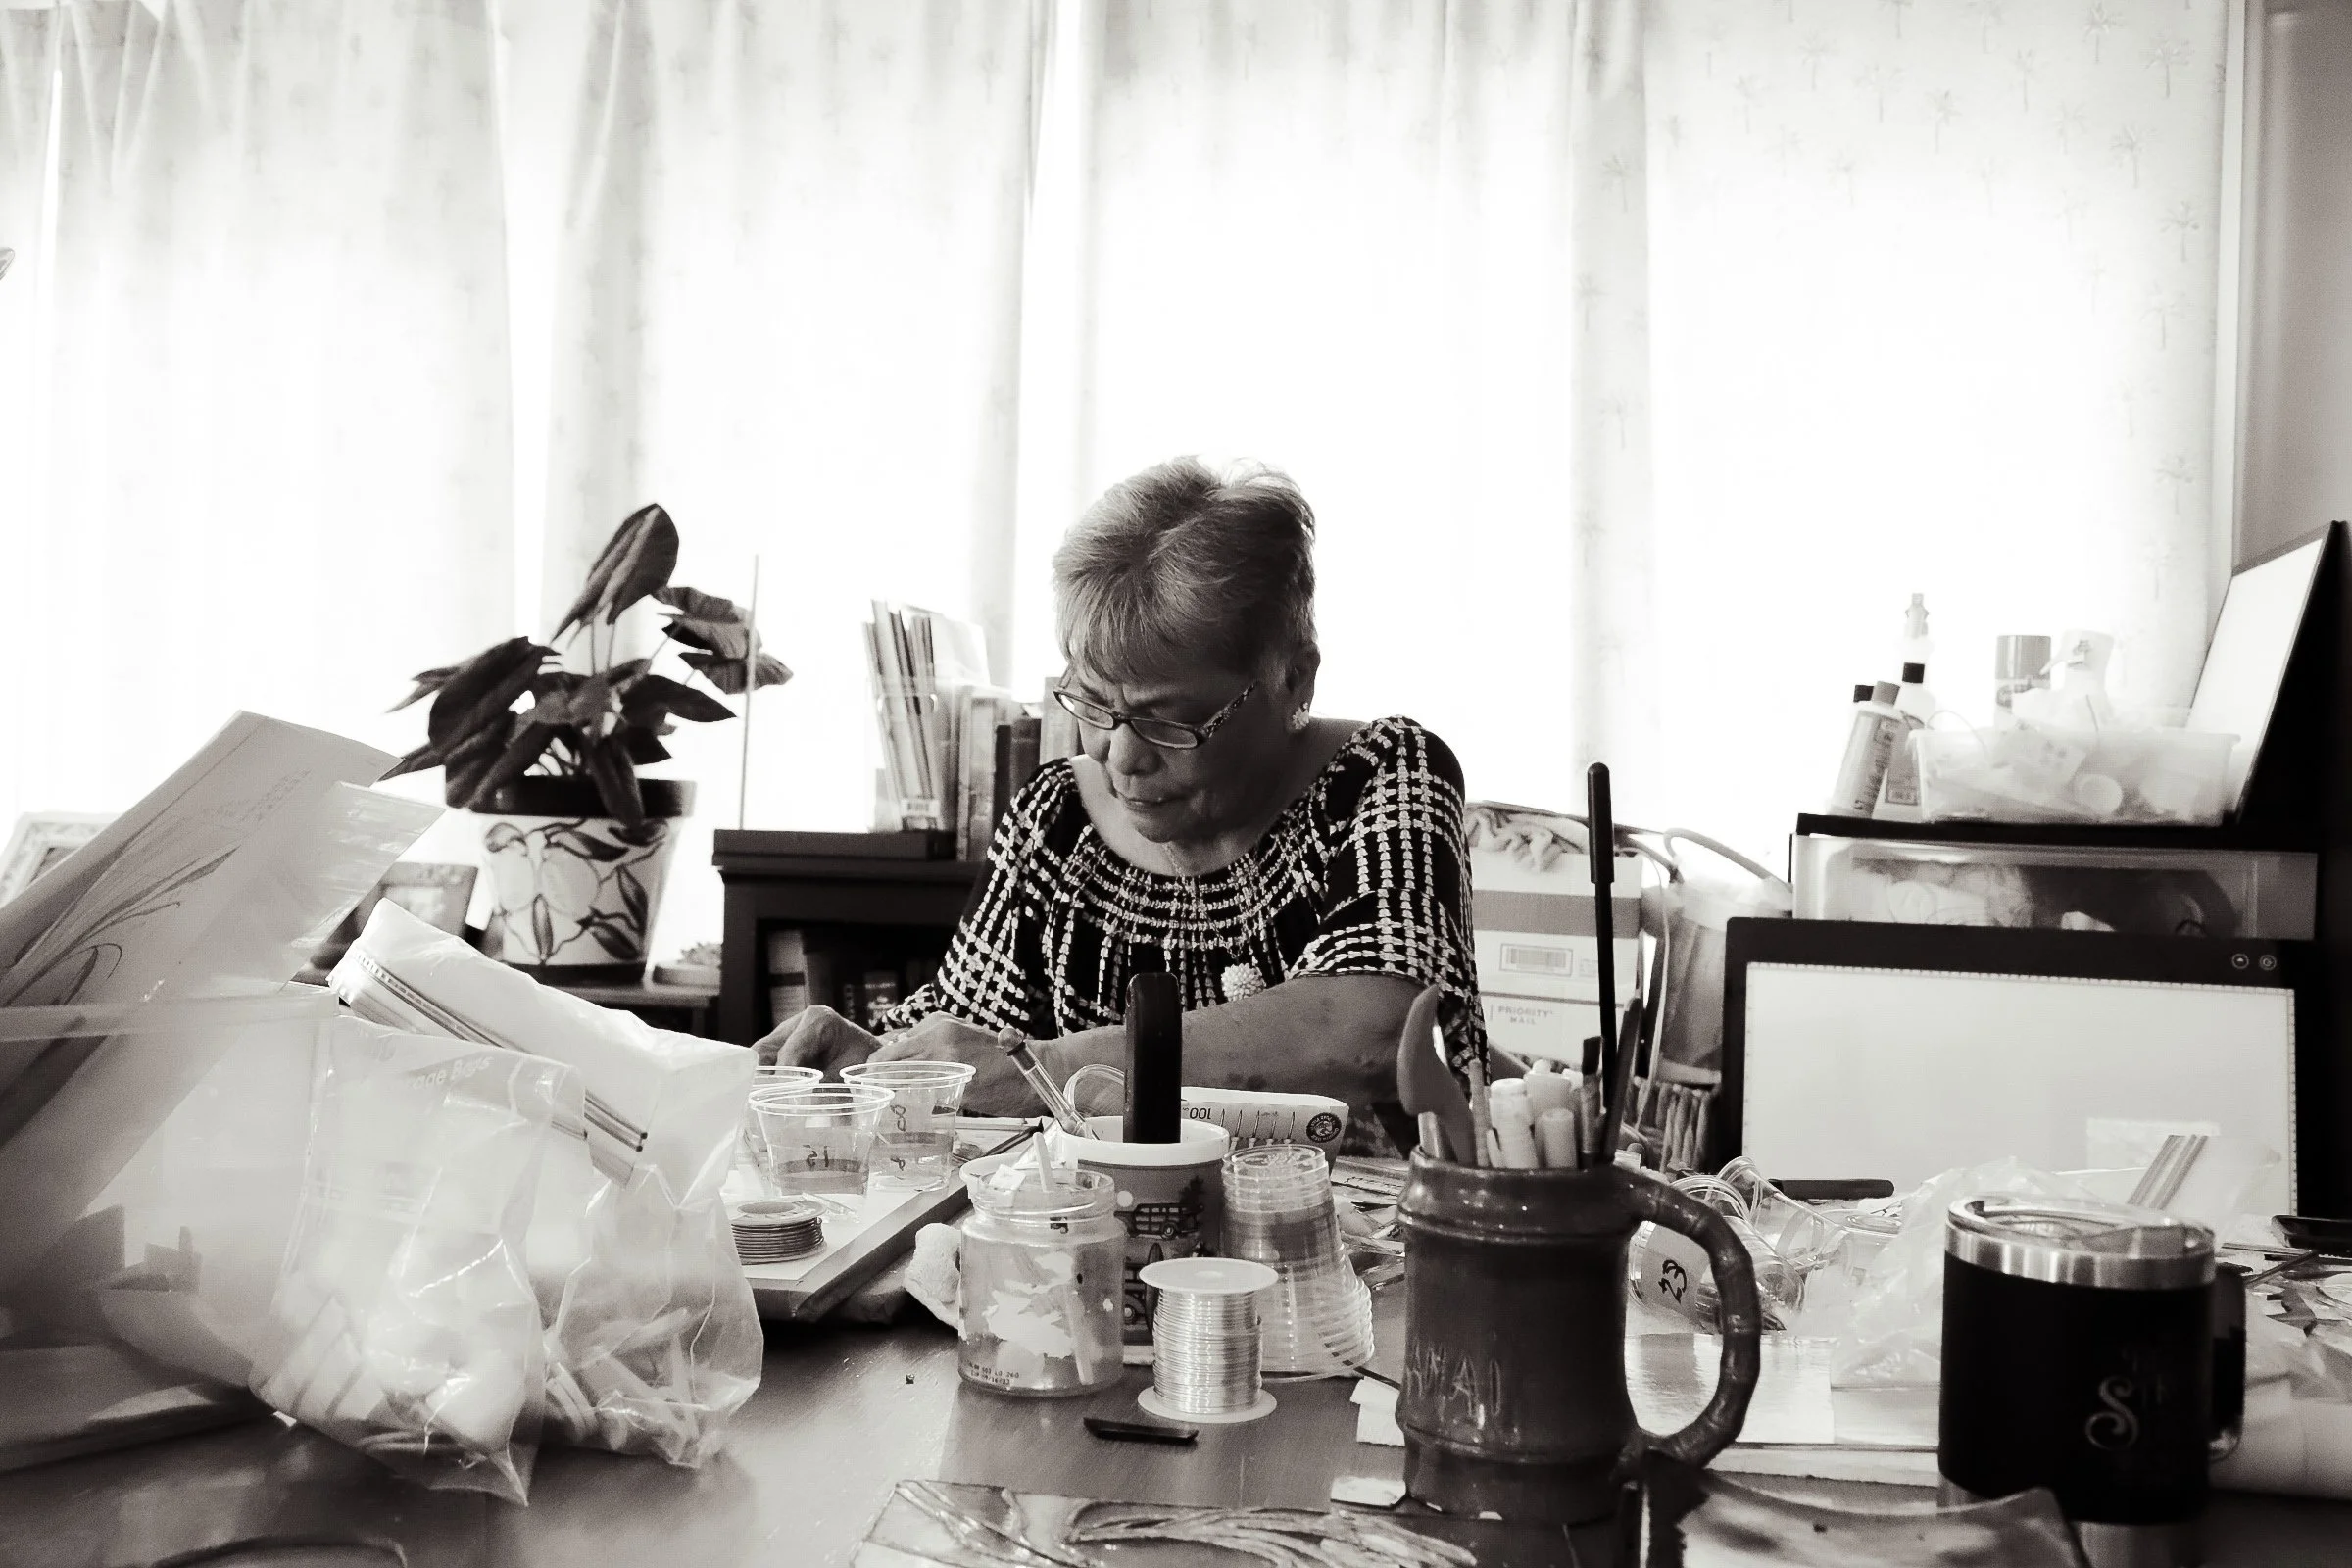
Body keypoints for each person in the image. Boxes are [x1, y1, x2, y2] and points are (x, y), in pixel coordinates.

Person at [760, 457, 1485, 1127]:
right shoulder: (1058, 820)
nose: (1123, 756)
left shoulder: (1383, 774)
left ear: (1293, 677)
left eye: (1172, 720)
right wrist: (872, 1061)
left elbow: (1372, 1031)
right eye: (1094, 706)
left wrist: (1052, 1067)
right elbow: (968, 1035)